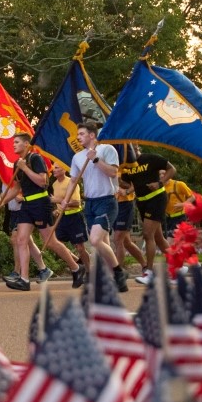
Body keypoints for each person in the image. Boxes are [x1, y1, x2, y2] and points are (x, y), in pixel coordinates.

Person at [0, 133, 86, 291]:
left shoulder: (35, 159)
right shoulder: (16, 164)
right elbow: (18, 187)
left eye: (17, 142)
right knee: (21, 239)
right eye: (13, 142)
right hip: (27, 205)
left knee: (51, 242)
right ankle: (24, 279)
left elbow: (43, 181)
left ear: (26, 144)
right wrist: (2, 201)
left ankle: (76, 268)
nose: (13, 145)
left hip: (40, 203)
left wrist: (25, 167)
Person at [61, 121, 128, 292]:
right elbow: (74, 181)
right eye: (78, 134)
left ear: (92, 135)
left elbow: (113, 172)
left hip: (107, 201)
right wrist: (64, 201)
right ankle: (109, 279)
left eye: (81, 134)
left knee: (95, 240)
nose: (78, 137)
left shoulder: (107, 149)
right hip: (90, 203)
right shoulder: (77, 157)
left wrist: (96, 159)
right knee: (102, 243)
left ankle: (119, 272)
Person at [120, 145, 175, 285]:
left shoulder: (150, 158)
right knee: (159, 238)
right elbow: (128, 184)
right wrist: (117, 179)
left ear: (137, 146)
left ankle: (149, 272)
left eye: (131, 146)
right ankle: (177, 266)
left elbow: (172, 169)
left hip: (156, 198)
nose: (129, 150)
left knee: (147, 234)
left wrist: (160, 183)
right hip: (142, 202)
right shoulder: (127, 166)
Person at [50, 163, 90, 272]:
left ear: (64, 170)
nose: (54, 169)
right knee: (57, 243)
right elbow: (59, 205)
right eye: (53, 168)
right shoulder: (54, 184)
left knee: (80, 247)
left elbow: (77, 203)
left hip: (74, 217)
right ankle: (77, 262)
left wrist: (57, 201)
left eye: (57, 167)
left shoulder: (72, 182)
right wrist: (56, 211)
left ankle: (89, 271)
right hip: (62, 218)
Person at [112, 180, 146, 273]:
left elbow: (136, 183)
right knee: (126, 242)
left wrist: (126, 191)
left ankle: (118, 272)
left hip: (125, 204)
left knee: (118, 239)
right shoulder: (105, 167)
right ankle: (145, 265)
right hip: (113, 204)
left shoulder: (126, 166)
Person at [161, 169, 195, 241]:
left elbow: (193, 197)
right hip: (167, 219)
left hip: (180, 217)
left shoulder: (179, 184)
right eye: (159, 174)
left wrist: (182, 204)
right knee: (175, 243)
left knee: (169, 242)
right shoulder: (160, 188)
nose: (161, 176)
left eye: (164, 173)